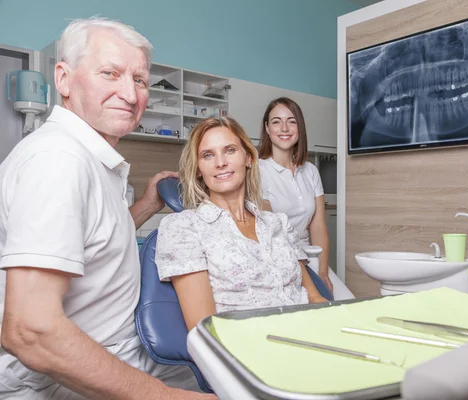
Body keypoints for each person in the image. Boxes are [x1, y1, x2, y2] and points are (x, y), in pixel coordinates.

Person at [0, 17, 215, 399]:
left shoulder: (92, 160)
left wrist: (147, 206)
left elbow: (89, 245)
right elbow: (31, 331)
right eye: (110, 73)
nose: (131, 95)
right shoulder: (59, 160)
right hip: (62, 378)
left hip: (126, 349)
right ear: (63, 79)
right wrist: (165, 397)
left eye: (139, 80)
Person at [155, 117, 327, 330]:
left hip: (313, 333)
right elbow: (206, 330)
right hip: (252, 349)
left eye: (229, 150)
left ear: (248, 158)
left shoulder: (278, 223)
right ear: (198, 168)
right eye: (208, 155)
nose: (220, 163)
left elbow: (313, 297)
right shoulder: (184, 229)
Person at [257, 97, 334, 292]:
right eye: (276, 121)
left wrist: (323, 273)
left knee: (340, 301)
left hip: (311, 257)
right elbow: (273, 234)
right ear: (267, 128)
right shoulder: (257, 170)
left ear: (300, 127)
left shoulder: (310, 171)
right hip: (278, 260)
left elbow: (318, 227)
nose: (284, 128)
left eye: (292, 121)